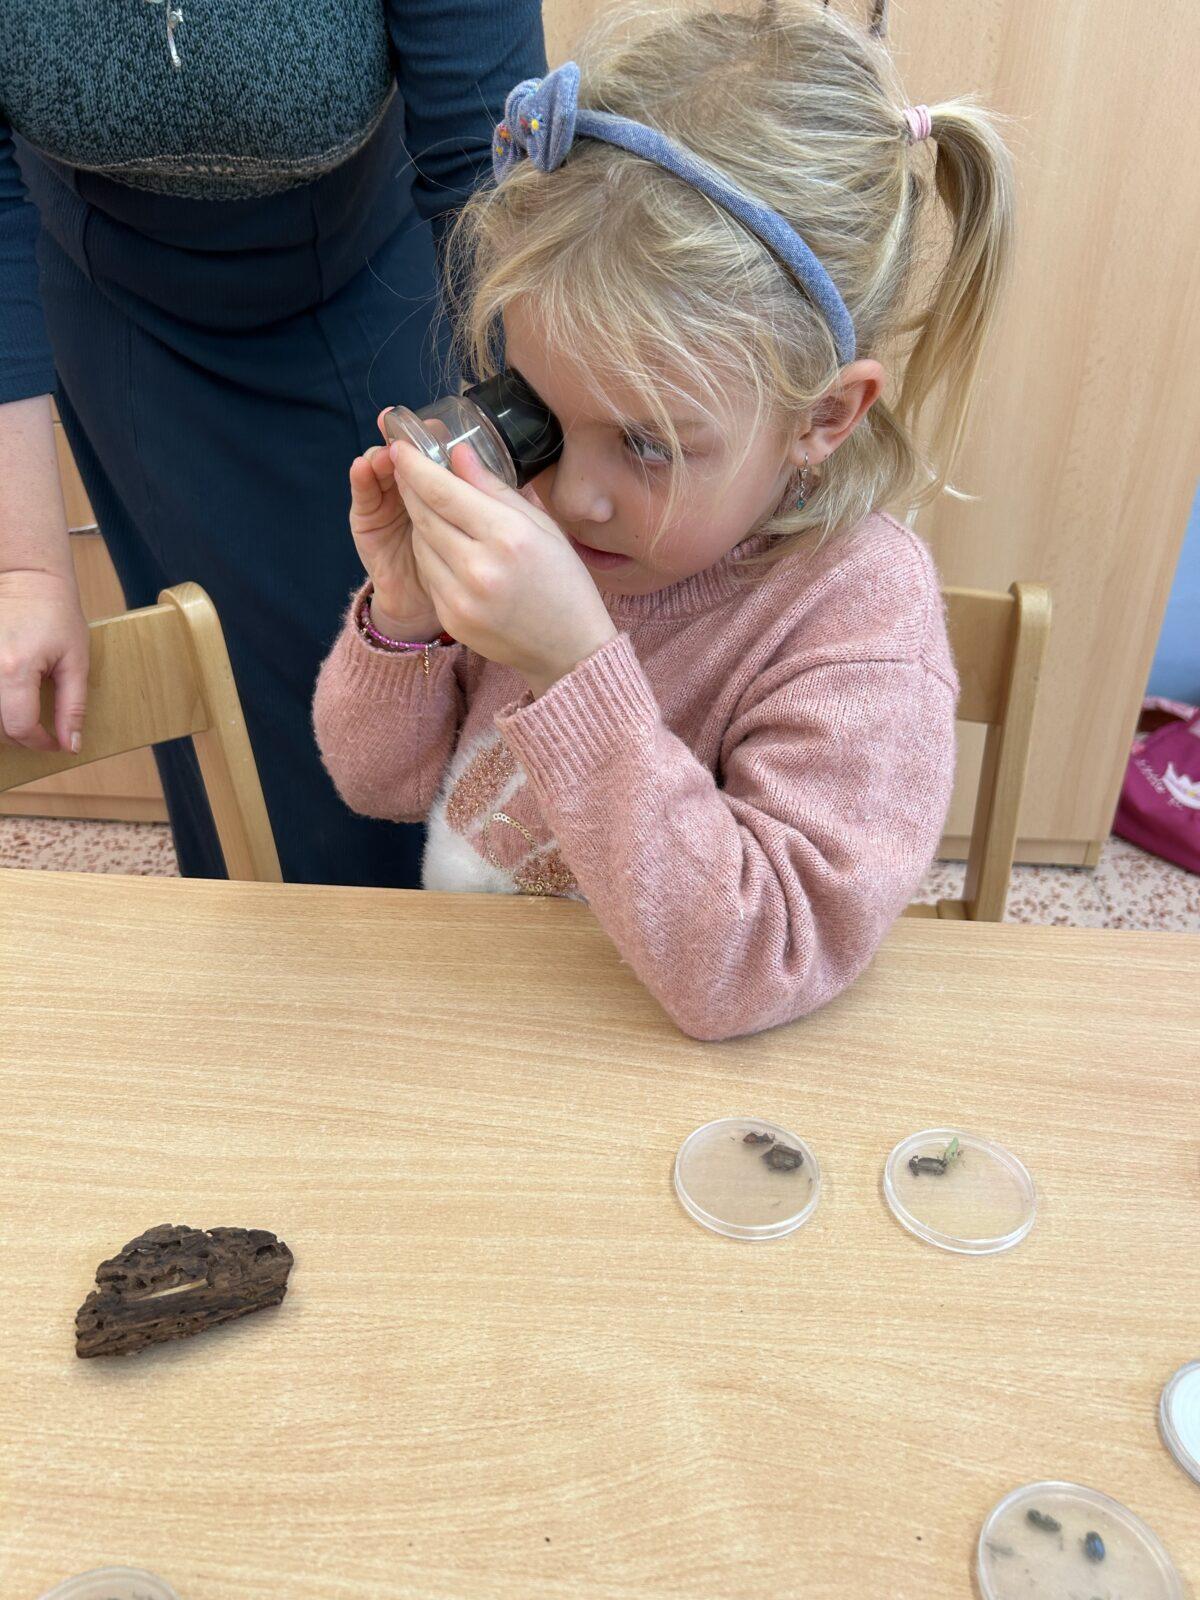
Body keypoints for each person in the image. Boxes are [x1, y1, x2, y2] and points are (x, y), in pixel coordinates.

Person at [312, 0, 1015, 1039]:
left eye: (645, 444)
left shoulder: (856, 616)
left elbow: (761, 962)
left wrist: (575, 668)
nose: (571, 497)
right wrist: (408, 620)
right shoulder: (550, 518)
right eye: (538, 414)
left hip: (679, 1091)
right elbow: (381, 784)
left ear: (823, 417)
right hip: (488, 1032)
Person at [0, 0, 546, 885]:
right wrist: (23, 570)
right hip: (121, 296)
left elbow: (482, 166)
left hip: (374, 267)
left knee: (427, 660)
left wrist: (539, 459)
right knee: (242, 722)